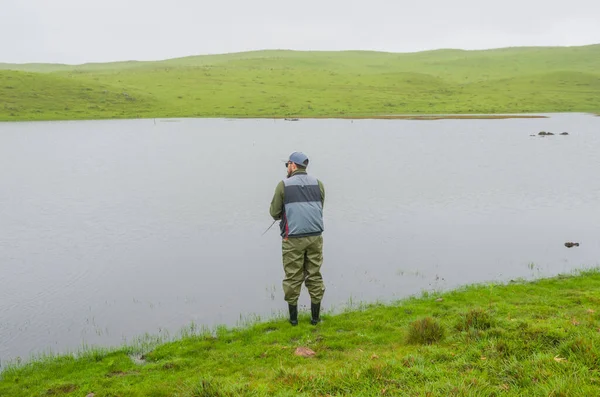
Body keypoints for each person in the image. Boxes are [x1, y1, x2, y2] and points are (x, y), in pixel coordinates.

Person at [269, 152, 325, 326]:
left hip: (293, 238)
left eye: (287, 165)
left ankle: (293, 321)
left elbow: (274, 213)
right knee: (314, 275)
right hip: (316, 236)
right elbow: (320, 207)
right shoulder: (318, 184)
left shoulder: (283, 185)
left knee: (293, 277)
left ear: (293, 165)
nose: (287, 168)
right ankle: (315, 319)